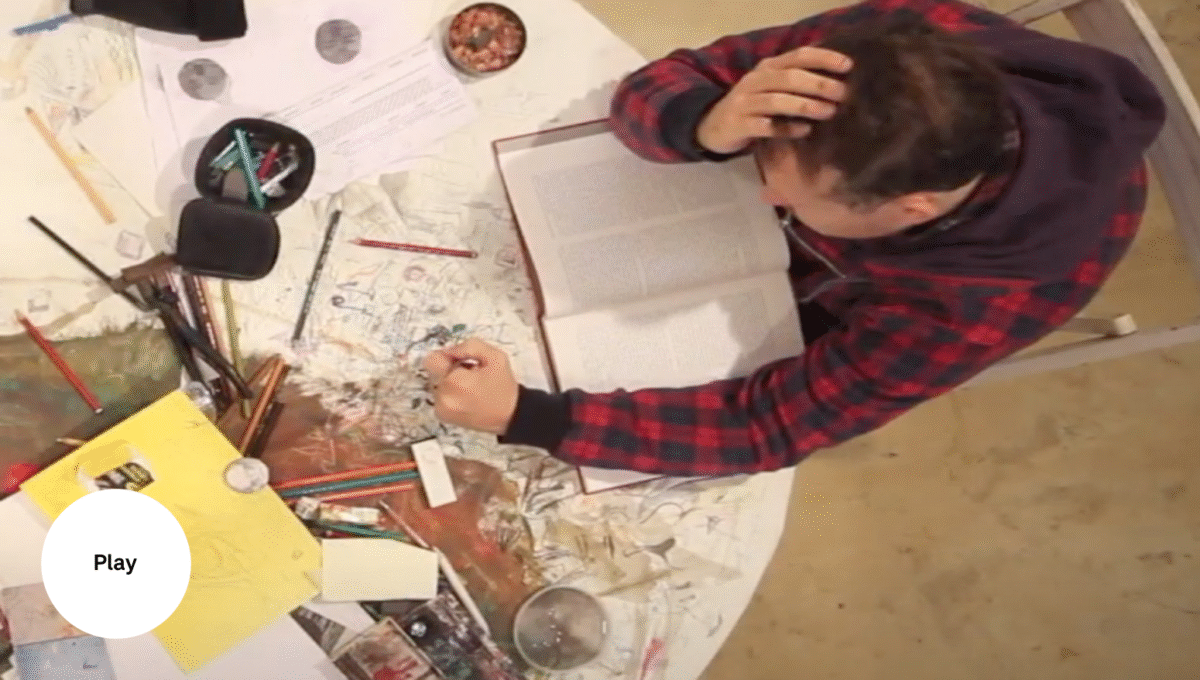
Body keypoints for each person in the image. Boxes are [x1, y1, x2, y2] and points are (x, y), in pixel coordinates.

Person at [423, 0, 1165, 476]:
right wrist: (703, 120)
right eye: (762, 162)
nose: (764, 194)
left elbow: (769, 427)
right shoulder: (885, 55)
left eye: (791, 197)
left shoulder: (984, 301)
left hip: (808, 314)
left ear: (910, 210)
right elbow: (670, 80)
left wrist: (530, 416)